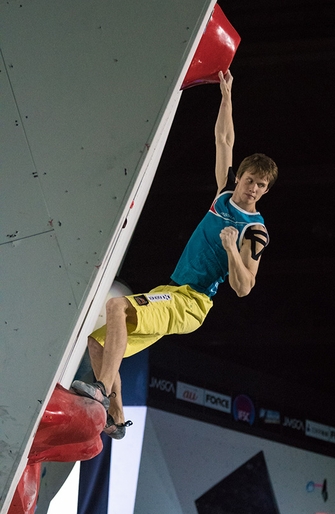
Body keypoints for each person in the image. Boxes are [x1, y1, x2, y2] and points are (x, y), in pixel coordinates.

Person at [72, 70, 278, 439]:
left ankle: (100, 391)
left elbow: (244, 286)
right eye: (250, 180)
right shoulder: (222, 195)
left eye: (262, 186)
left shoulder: (255, 230)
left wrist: (231, 249)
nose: (254, 189)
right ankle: (115, 419)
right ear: (240, 177)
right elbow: (224, 139)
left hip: (191, 303)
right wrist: (226, 95)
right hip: (172, 290)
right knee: (98, 341)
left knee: (117, 308)